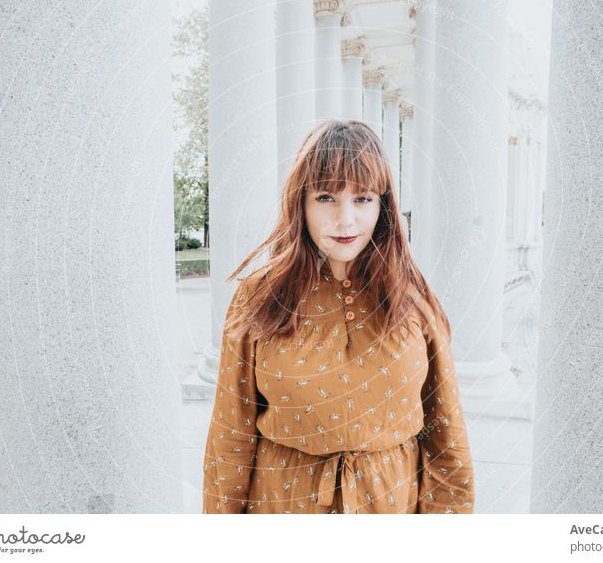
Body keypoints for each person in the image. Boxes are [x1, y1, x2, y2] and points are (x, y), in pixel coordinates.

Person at [202, 119, 474, 514]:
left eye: (362, 198)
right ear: (302, 203)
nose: (345, 219)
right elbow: (230, 433)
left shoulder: (413, 299)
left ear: (383, 206)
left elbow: (446, 437)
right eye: (326, 197)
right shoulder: (258, 297)